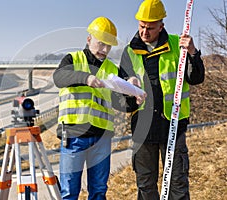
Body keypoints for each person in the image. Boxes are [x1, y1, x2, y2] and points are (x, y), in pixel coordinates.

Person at [116, 0, 205, 199]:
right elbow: (122, 99)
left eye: (150, 27)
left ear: (161, 26)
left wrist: (192, 52)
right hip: (143, 129)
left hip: (173, 125)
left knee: (177, 183)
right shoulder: (129, 52)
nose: (144, 32)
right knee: (145, 185)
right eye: (141, 26)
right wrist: (129, 91)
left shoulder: (177, 44)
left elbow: (196, 78)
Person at [53, 16, 145, 200]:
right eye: (101, 44)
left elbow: (121, 104)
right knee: (69, 192)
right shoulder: (72, 59)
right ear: (89, 39)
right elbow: (59, 77)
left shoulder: (112, 69)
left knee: (99, 191)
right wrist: (85, 78)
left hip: (101, 137)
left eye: (108, 46)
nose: (104, 50)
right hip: (73, 136)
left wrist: (133, 93)